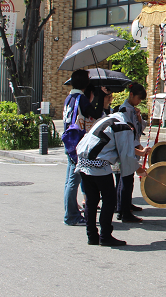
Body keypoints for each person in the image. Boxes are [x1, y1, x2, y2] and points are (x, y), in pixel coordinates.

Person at [75, 111, 150, 246]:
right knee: (109, 200)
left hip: (82, 161)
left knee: (91, 201)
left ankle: (91, 236)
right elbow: (126, 155)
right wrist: (138, 169)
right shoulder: (124, 128)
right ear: (131, 127)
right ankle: (105, 236)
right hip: (99, 164)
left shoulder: (105, 120)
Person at [62, 69, 106, 227]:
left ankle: (71, 211)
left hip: (69, 142)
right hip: (78, 144)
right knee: (74, 180)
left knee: (69, 181)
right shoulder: (80, 98)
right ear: (84, 82)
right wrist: (100, 96)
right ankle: (71, 216)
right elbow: (95, 114)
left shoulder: (69, 98)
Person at [115, 83, 147, 223]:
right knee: (125, 180)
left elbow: (139, 128)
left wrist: (139, 118)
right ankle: (123, 210)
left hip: (132, 145)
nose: (139, 102)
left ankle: (126, 205)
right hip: (127, 146)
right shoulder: (124, 110)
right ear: (131, 95)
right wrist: (137, 149)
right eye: (138, 98)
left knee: (128, 180)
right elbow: (128, 131)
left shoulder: (132, 109)